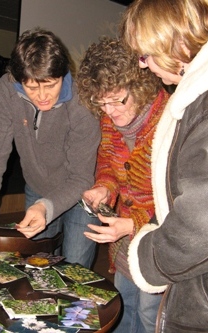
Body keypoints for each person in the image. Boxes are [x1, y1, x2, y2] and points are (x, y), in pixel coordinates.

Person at [119, 0, 208, 332]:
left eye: (146, 54)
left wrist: (143, 256)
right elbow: (185, 190)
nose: (143, 66)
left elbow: (201, 231)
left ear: (177, 42)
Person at [0, 27, 101, 268]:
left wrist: (45, 207)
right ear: (18, 80)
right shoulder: (8, 90)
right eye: (31, 88)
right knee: (37, 266)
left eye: (50, 85)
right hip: (37, 185)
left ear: (63, 74)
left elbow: (81, 177)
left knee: (74, 269)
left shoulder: (83, 100)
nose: (42, 97)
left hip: (83, 196)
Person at [76, 37, 170, 332]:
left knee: (148, 315)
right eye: (100, 102)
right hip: (124, 245)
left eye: (118, 100)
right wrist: (104, 187)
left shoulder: (170, 120)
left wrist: (133, 224)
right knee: (123, 307)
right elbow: (108, 163)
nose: (109, 111)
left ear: (139, 86)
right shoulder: (110, 119)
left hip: (158, 243)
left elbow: (178, 201)